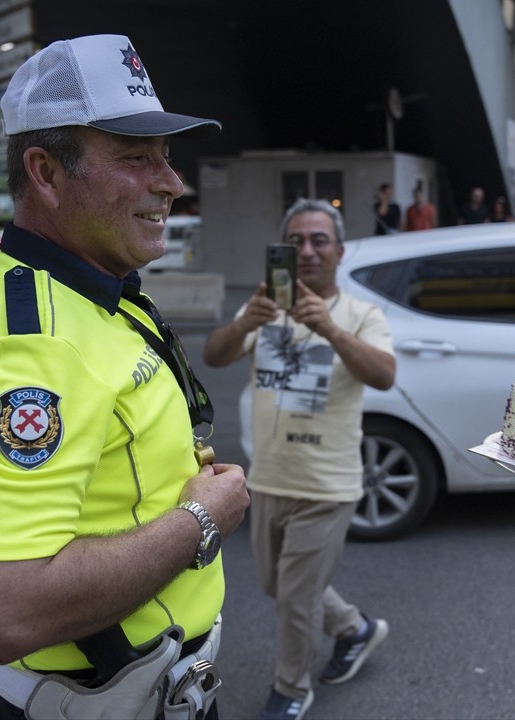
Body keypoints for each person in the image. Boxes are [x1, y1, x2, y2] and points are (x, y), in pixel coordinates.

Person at [0, 34, 251, 720]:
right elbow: (2, 611)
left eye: (166, 156)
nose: (170, 182)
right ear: (44, 172)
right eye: (135, 158)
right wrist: (200, 520)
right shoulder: (24, 346)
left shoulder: (98, 286)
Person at [203, 199, 396, 720]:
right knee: (277, 585)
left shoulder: (361, 314)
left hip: (326, 484)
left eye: (318, 241)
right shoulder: (265, 308)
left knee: (294, 598)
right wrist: (246, 324)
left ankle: (292, 690)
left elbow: (383, 375)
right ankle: (355, 628)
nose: (307, 251)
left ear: (339, 250)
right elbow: (214, 355)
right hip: (267, 477)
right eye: (296, 241)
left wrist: (331, 329)